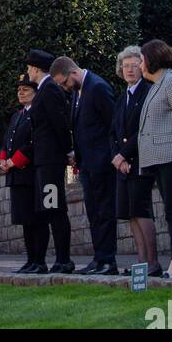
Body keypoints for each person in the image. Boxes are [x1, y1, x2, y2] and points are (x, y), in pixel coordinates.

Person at [51, 55, 118, 275]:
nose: (64, 88)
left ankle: (108, 260)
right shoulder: (78, 93)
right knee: (94, 213)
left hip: (102, 163)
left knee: (104, 212)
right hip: (87, 164)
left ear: (73, 72)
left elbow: (113, 125)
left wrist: (112, 156)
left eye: (64, 83)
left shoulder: (97, 87)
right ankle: (99, 258)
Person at [138, 39, 172, 281]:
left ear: (152, 59)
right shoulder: (156, 85)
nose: (139, 65)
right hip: (160, 160)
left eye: (141, 60)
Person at [25, 49, 74, 273]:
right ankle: (50, 259)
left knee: (54, 208)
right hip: (44, 160)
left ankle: (63, 259)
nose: (28, 72)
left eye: (29, 68)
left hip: (51, 161)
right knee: (48, 208)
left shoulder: (49, 89)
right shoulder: (45, 89)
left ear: (36, 68)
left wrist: (68, 150)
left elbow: (59, 122)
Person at [111, 45, 158, 276]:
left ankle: (153, 264)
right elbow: (113, 132)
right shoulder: (122, 97)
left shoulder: (148, 92)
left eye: (134, 65)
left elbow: (144, 129)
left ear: (143, 67)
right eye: (125, 66)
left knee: (141, 210)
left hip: (142, 160)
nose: (129, 70)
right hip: (123, 165)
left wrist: (124, 155)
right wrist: (117, 157)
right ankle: (141, 264)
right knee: (130, 213)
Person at [0, 74, 43, 273]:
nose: (21, 93)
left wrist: (13, 161)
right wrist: (3, 159)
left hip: (29, 173)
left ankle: (39, 260)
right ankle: (30, 259)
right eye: (19, 90)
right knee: (24, 219)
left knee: (35, 219)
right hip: (16, 175)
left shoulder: (36, 114)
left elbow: (32, 144)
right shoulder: (18, 115)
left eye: (26, 90)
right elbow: (7, 141)